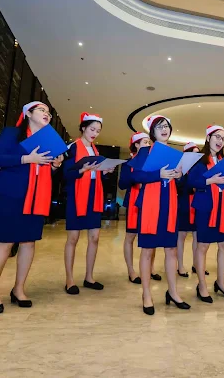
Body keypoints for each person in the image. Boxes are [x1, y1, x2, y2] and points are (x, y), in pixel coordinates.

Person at [0, 101, 63, 314]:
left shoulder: (50, 140)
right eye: (42, 110)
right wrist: (27, 158)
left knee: (29, 243)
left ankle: (18, 289)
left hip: (38, 195)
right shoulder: (12, 133)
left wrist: (55, 166)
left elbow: (45, 172)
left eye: (49, 111)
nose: (47, 114)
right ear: (28, 113)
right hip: (12, 193)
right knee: (5, 243)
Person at [133, 115, 188, 315]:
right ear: (152, 132)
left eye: (167, 126)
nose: (164, 129)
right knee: (147, 251)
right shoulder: (145, 151)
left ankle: (173, 292)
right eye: (160, 126)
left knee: (171, 250)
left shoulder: (175, 154)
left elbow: (181, 185)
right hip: (150, 205)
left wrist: (180, 176)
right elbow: (135, 175)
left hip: (169, 205)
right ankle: (146, 295)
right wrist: (159, 175)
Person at [63, 112, 114, 295]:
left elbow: (96, 173)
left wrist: (105, 171)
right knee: (73, 238)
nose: (94, 133)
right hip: (77, 195)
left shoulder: (95, 150)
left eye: (98, 131)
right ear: (83, 128)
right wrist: (81, 170)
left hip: (94, 194)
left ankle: (89, 277)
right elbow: (65, 174)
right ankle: (69, 280)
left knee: (94, 237)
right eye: (92, 129)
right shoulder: (73, 147)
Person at [188, 126, 224, 302]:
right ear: (208, 138)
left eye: (223, 138)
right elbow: (190, 181)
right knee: (203, 247)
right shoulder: (199, 159)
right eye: (217, 136)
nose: (220, 141)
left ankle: (221, 283)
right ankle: (202, 285)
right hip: (206, 208)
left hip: (223, 208)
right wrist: (210, 180)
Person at [118, 132, 161, 284]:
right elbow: (122, 184)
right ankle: (131, 271)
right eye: (144, 142)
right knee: (130, 236)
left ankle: (151, 267)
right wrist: (136, 176)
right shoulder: (128, 163)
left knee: (151, 235)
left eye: (149, 142)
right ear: (136, 145)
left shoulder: (153, 161)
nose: (148, 144)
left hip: (151, 201)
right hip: (134, 200)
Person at [176, 141, 204, 277]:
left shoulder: (200, 169)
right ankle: (180, 266)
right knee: (181, 236)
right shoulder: (181, 168)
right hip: (184, 205)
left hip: (198, 205)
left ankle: (196, 264)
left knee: (197, 237)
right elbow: (178, 185)